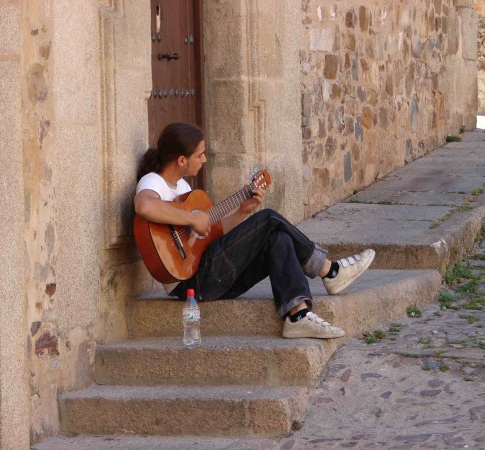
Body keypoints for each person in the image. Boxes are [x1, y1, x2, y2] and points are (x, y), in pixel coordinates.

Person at [134, 122, 375, 339]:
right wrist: (191, 218)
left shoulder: (183, 187)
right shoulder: (153, 182)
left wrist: (242, 211)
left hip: (212, 274)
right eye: (200, 155)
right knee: (269, 218)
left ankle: (298, 316)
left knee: (278, 238)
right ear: (181, 160)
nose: (205, 160)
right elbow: (144, 205)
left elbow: (213, 235)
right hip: (190, 284)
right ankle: (330, 271)